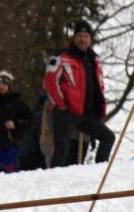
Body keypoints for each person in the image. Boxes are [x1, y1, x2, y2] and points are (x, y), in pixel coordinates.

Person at [44, 19, 115, 167]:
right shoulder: (62, 56)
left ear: (90, 39)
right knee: (62, 149)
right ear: (74, 37)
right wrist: (60, 104)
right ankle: (53, 181)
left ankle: (100, 172)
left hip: (87, 113)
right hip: (66, 111)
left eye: (86, 36)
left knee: (108, 137)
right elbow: (49, 81)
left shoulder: (94, 59)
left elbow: (99, 86)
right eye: (80, 36)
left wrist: (99, 108)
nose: (83, 39)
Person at [0, 70, 34, 169]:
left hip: (10, 146)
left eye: (4, 84)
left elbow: (30, 120)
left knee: (9, 174)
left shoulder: (16, 102)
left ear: (9, 86)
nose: (1, 87)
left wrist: (16, 125)